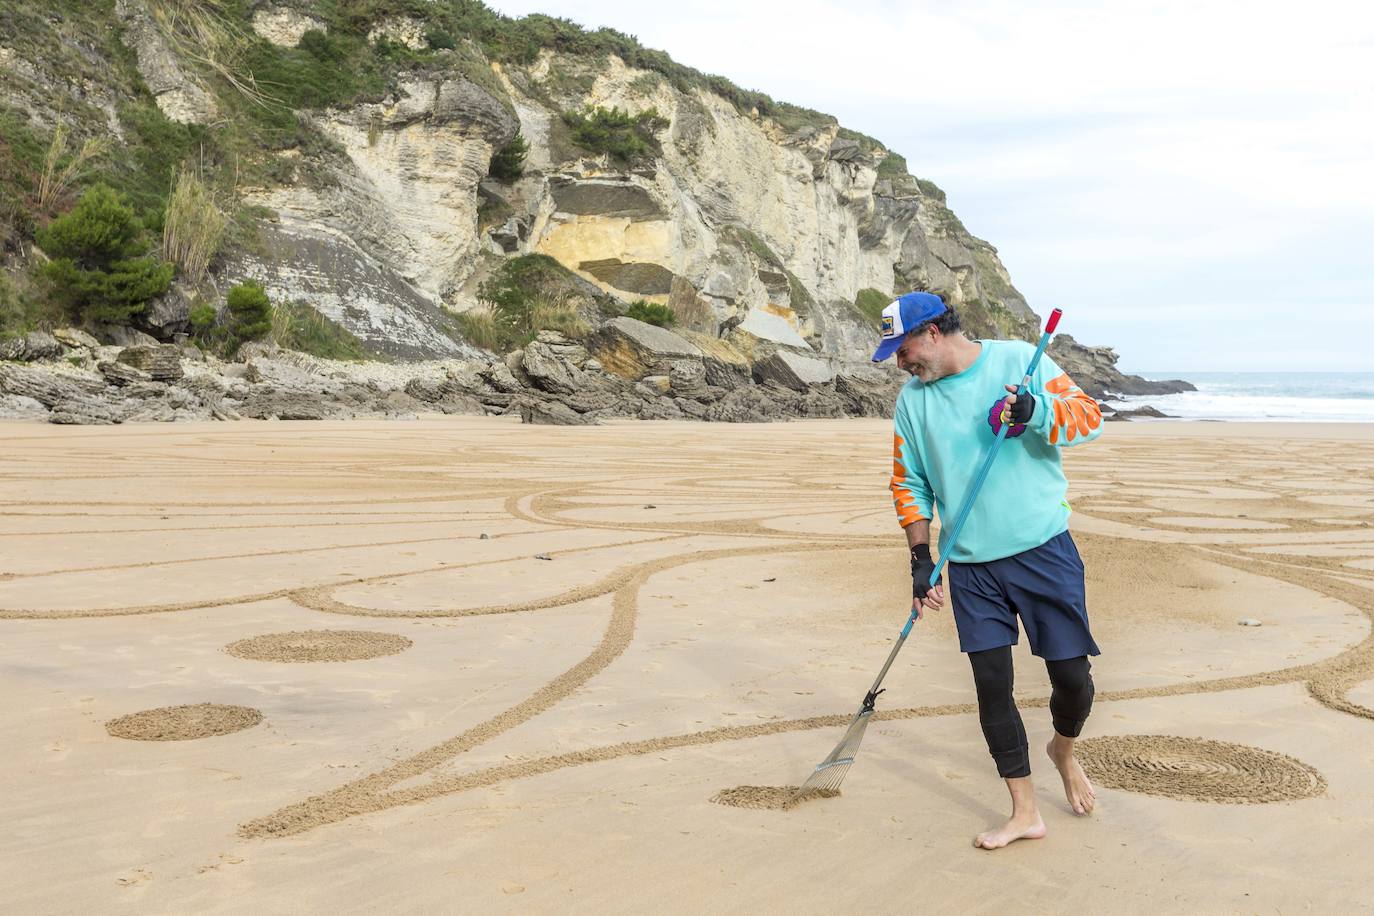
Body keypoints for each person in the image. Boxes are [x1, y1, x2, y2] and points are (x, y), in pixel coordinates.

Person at [871, 290, 1104, 850]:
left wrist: (1034, 412)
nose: (899, 363)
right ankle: (1024, 810)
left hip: (1042, 548)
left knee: (1072, 679)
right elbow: (910, 483)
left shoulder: (1017, 361)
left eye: (901, 349)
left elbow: (1088, 419)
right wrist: (920, 560)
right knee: (991, 687)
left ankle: (1063, 751)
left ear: (931, 332)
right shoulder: (913, 402)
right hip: (971, 565)